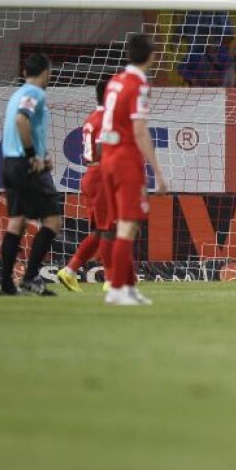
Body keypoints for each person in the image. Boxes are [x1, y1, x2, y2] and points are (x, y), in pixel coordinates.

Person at [100, 32, 168, 306]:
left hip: (108, 158)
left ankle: (128, 287)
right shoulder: (139, 84)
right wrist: (158, 172)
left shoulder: (114, 81)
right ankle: (117, 289)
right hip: (126, 159)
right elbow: (139, 130)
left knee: (123, 226)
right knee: (128, 227)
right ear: (151, 56)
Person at [0, 53, 62, 297]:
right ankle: (30, 277)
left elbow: (21, 122)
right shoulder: (35, 93)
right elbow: (21, 120)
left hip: (10, 163)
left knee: (17, 221)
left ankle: (6, 284)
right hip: (26, 165)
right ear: (47, 71)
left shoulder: (16, 94)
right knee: (53, 221)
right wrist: (33, 155)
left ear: (24, 73)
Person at [56, 78, 116, 293]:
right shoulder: (107, 119)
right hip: (101, 175)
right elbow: (101, 149)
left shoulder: (93, 117)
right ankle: (111, 280)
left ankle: (69, 271)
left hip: (92, 174)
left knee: (103, 231)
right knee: (109, 229)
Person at [178, 0, 234, 87]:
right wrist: (193, 80)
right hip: (197, 55)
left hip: (216, 52)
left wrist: (215, 50)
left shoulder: (218, 13)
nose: (201, 0)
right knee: (184, 65)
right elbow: (178, 36)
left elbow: (229, 34)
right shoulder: (189, 16)